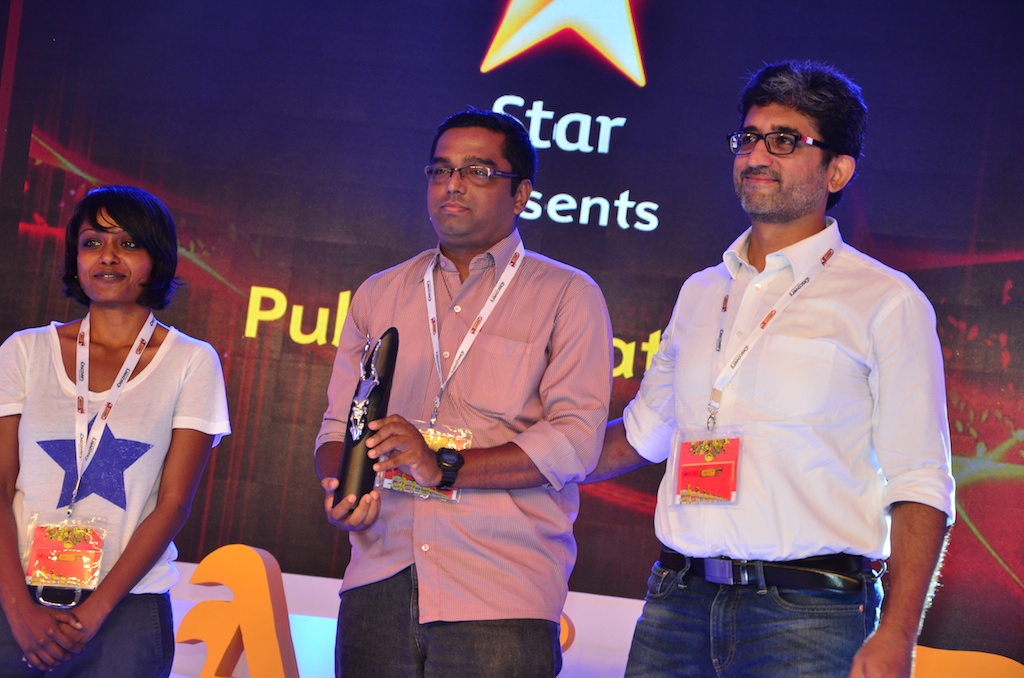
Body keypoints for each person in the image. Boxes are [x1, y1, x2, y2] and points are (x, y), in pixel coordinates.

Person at [589, 61, 955, 677]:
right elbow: (640, 435)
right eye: (749, 137)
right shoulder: (702, 291)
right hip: (677, 602)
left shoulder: (885, 301)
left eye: (784, 140)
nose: (756, 155)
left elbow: (920, 479)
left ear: (837, 171)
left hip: (808, 617)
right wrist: (517, 459)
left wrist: (898, 634)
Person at [315, 109, 612, 677]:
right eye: (440, 170)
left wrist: (443, 466)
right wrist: (342, 487)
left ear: (521, 193)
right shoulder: (379, 293)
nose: (452, 184)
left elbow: (575, 442)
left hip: (500, 591)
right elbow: (337, 429)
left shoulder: (567, 294)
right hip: (378, 579)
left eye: (477, 171)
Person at [0, 185, 231, 676]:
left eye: (128, 243)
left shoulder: (192, 362)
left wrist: (95, 612)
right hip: (14, 603)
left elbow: (173, 504)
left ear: (157, 258)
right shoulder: (24, 351)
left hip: (126, 611)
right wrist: (17, 609)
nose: (107, 256)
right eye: (92, 242)